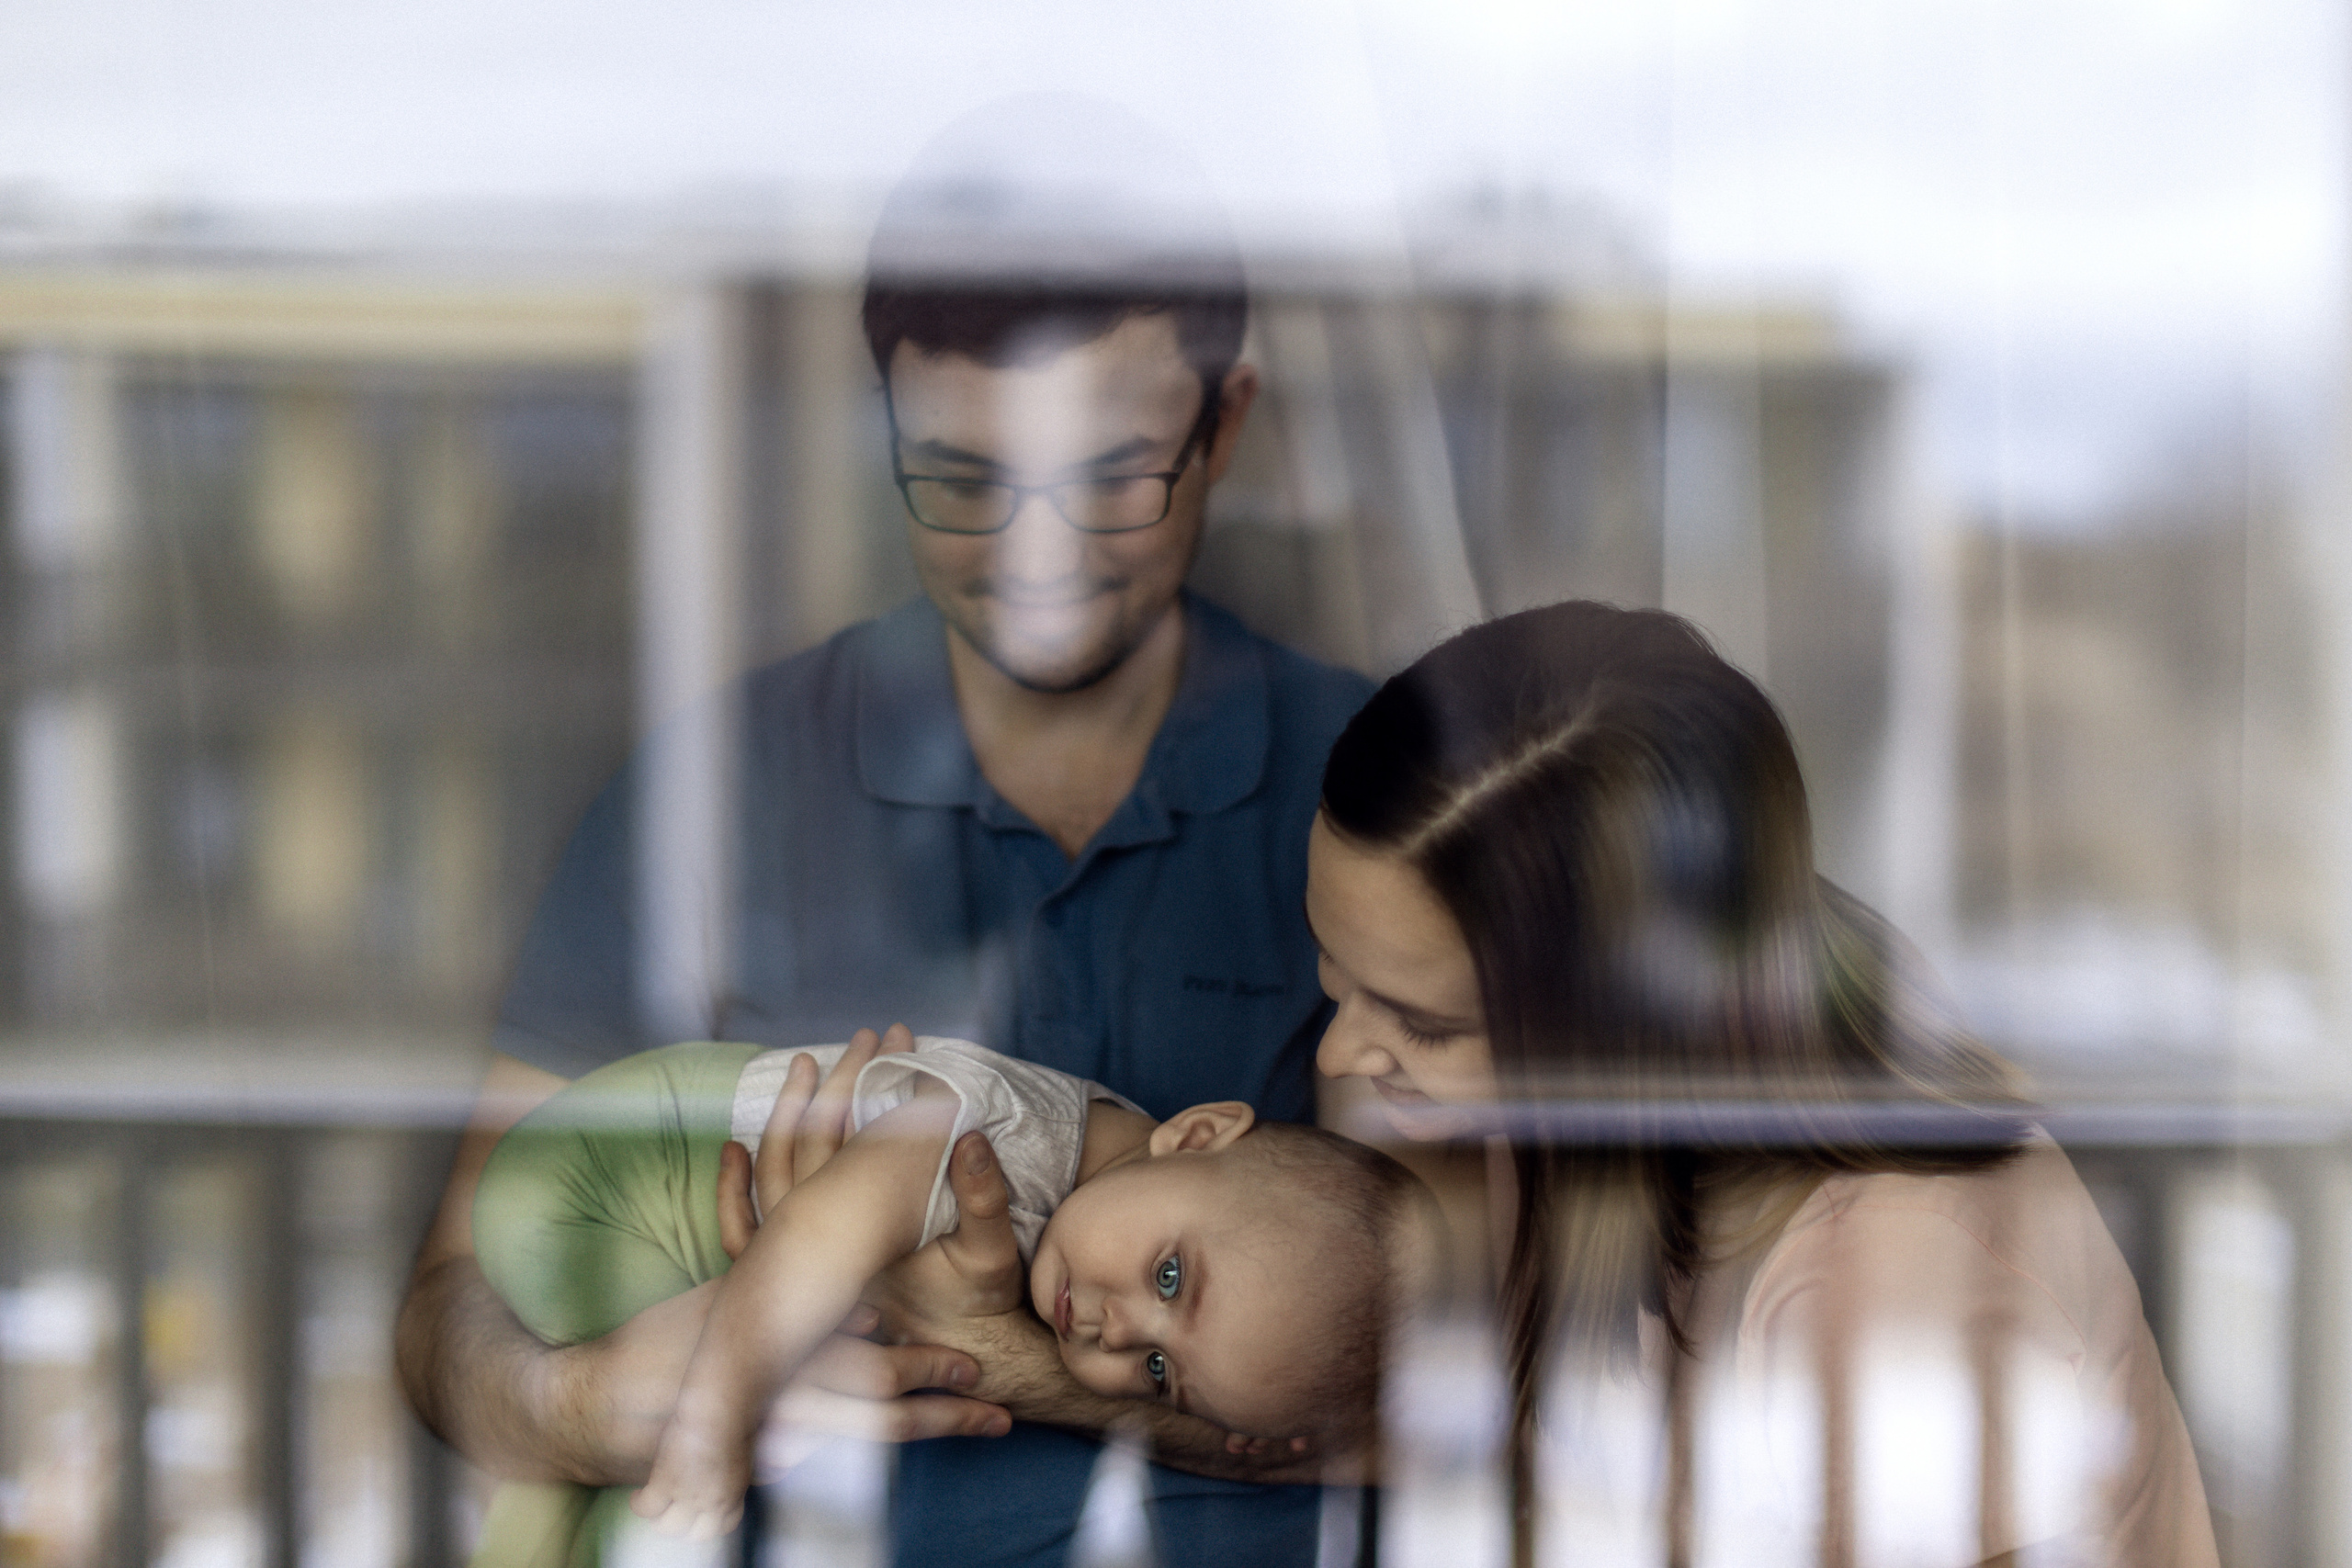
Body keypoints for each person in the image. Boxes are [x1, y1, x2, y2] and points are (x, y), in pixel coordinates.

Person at [395, 97, 1374, 1568]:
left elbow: (1489, 1353)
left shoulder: (1378, 785)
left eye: (1110, 474)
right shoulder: (719, 782)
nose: (1034, 555)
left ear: (1225, 423)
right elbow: (448, 1294)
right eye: (963, 478)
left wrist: (992, 1343)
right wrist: (572, 1397)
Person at [1304, 601, 2219, 1568]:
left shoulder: (1896, 1285)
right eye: (1332, 973)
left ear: (1632, 1023)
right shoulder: (1621, 1102)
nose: (1336, 1053)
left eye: (1428, 1024)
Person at [469, 1027, 1426, 1557]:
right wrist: (717, 1412)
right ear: (1200, 1132)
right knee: (662, 1497)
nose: (1109, 1325)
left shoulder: (1102, 1198)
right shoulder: (1011, 1137)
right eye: (1168, 1276)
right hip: (599, 1188)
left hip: (633, 1228)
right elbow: (820, 1226)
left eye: (1159, 1369)